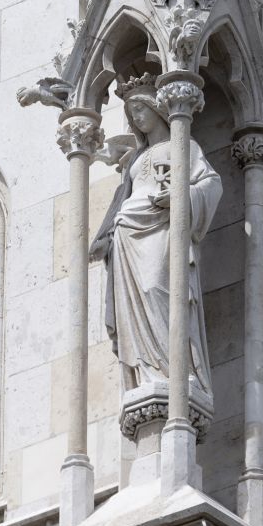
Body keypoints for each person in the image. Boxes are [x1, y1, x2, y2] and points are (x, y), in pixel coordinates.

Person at [91, 77, 221, 412]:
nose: (136, 118)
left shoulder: (185, 147)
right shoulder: (135, 159)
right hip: (127, 236)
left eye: (140, 109)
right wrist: (105, 236)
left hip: (162, 231)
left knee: (156, 289)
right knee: (135, 304)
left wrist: (179, 198)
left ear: (158, 110)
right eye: (131, 112)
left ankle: (173, 371)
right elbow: (123, 198)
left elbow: (210, 185)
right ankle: (147, 374)